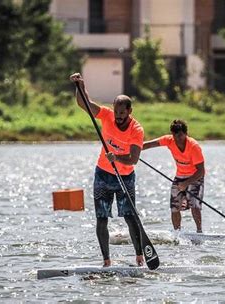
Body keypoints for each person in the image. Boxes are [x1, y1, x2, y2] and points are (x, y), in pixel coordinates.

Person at [69, 72, 144, 267]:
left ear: (129, 111)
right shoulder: (107, 115)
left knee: (129, 217)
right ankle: (106, 261)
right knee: (102, 219)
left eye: (122, 113)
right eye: (116, 112)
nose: (118, 117)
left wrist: (116, 157)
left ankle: (140, 257)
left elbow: (134, 159)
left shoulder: (136, 130)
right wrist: (80, 86)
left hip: (124, 178)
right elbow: (84, 104)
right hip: (102, 175)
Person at [143, 119, 205, 233]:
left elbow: (201, 171)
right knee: (174, 207)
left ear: (186, 134)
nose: (178, 139)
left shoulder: (193, 146)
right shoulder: (169, 140)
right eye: (175, 136)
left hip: (195, 177)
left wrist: (186, 184)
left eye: (180, 136)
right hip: (180, 177)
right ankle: (177, 233)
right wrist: (132, 151)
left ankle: (199, 232)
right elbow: (148, 144)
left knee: (194, 205)